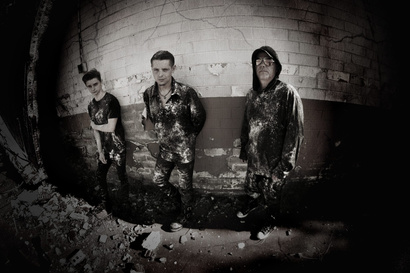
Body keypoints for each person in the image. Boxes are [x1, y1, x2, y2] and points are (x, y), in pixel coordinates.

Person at [238, 46, 304, 240]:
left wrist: (283, 167)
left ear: (277, 67)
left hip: (274, 163)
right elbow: (247, 123)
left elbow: (295, 134)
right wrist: (245, 146)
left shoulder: (287, 93)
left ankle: (271, 220)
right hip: (255, 157)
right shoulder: (252, 94)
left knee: (272, 198)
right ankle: (252, 203)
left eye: (268, 61)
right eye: (258, 61)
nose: (263, 65)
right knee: (251, 188)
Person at [142, 50, 206, 232]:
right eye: (156, 70)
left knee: (185, 186)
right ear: (152, 70)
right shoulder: (148, 94)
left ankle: (185, 213)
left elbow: (199, 118)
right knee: (158, 179)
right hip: (165, 150)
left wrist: (188, 138)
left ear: (173, 69)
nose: (160, 74)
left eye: (165, 69)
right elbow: (152, 115)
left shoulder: (186, 93)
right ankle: (176, 199)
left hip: (184, 151)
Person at [82, 68, 129, 212]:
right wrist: (100, 151)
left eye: (95, 84)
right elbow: (96, 131)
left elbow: (111, 127)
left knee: (121, 176)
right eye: (89, 86)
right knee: (99, 175)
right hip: (106, 148)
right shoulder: (91, 106)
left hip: (118, 146)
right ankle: (106, 203)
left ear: (101, 82)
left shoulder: (111, 101)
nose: (93, 88)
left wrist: (94, 125)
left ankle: (126, 204)